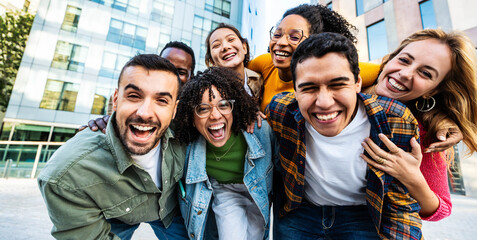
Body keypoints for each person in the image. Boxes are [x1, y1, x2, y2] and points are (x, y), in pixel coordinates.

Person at [267, 33, 422, 239]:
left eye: (337, 84)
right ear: (294, 91)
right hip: (300, 212)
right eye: (308, 88)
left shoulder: (395, 119)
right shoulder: (280, 111)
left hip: (365, 216)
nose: (324, 102)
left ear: (358, 82)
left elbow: (401, 203)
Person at [38, 54, 188, 240]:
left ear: (175, 110)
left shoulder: (186, 132)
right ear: (116, 100)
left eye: (162, 101)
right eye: (134, 96)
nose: (145, 113)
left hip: (169, 211)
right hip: (116, 218)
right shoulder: (66, 176)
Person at [361, 29, 477, 221]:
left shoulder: (422, 130)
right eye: (404, 60)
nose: (405, 73)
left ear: (433, 90)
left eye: (425, 73)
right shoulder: (339, 83)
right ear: (390, 59)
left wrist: (412, 177)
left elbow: (441, 208)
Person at [175, 67, 276, 240]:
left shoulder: (259, 131)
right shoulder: (188, 146)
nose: (215, 115)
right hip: (225, 191)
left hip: (257, 190)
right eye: (203, 109)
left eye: (223, 105)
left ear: (234, 108)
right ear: (191, 117)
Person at [247, 3, 381, 112]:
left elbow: (386, 69)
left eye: (294, 37)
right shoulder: (264, 62)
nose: (281, 42)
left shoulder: (334, 70)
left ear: (314, 43)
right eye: (277, 34)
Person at [81, 41, 196, 132]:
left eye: (180, 71)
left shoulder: (197, 112)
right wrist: (109, 123)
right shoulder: (125, 102)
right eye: (166, 66)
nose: (172, 75)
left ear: (191, 77)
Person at [205, 23, 263, 105]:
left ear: (244, 48)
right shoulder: (209, 92)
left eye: (231, 39)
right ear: (212, 61)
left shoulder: (261, 80)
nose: (225, 47)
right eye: (216, 45)